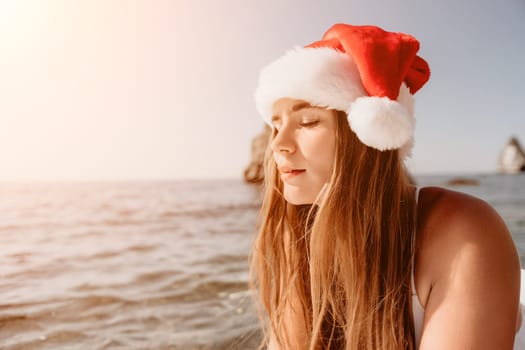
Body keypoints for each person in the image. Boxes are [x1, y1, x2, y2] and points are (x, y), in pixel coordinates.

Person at [249, 23, 525, 349]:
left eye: (308, 121)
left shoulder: (464, 232)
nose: (278, 144)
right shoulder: (294, 235)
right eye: (275, 125)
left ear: (365, 138)